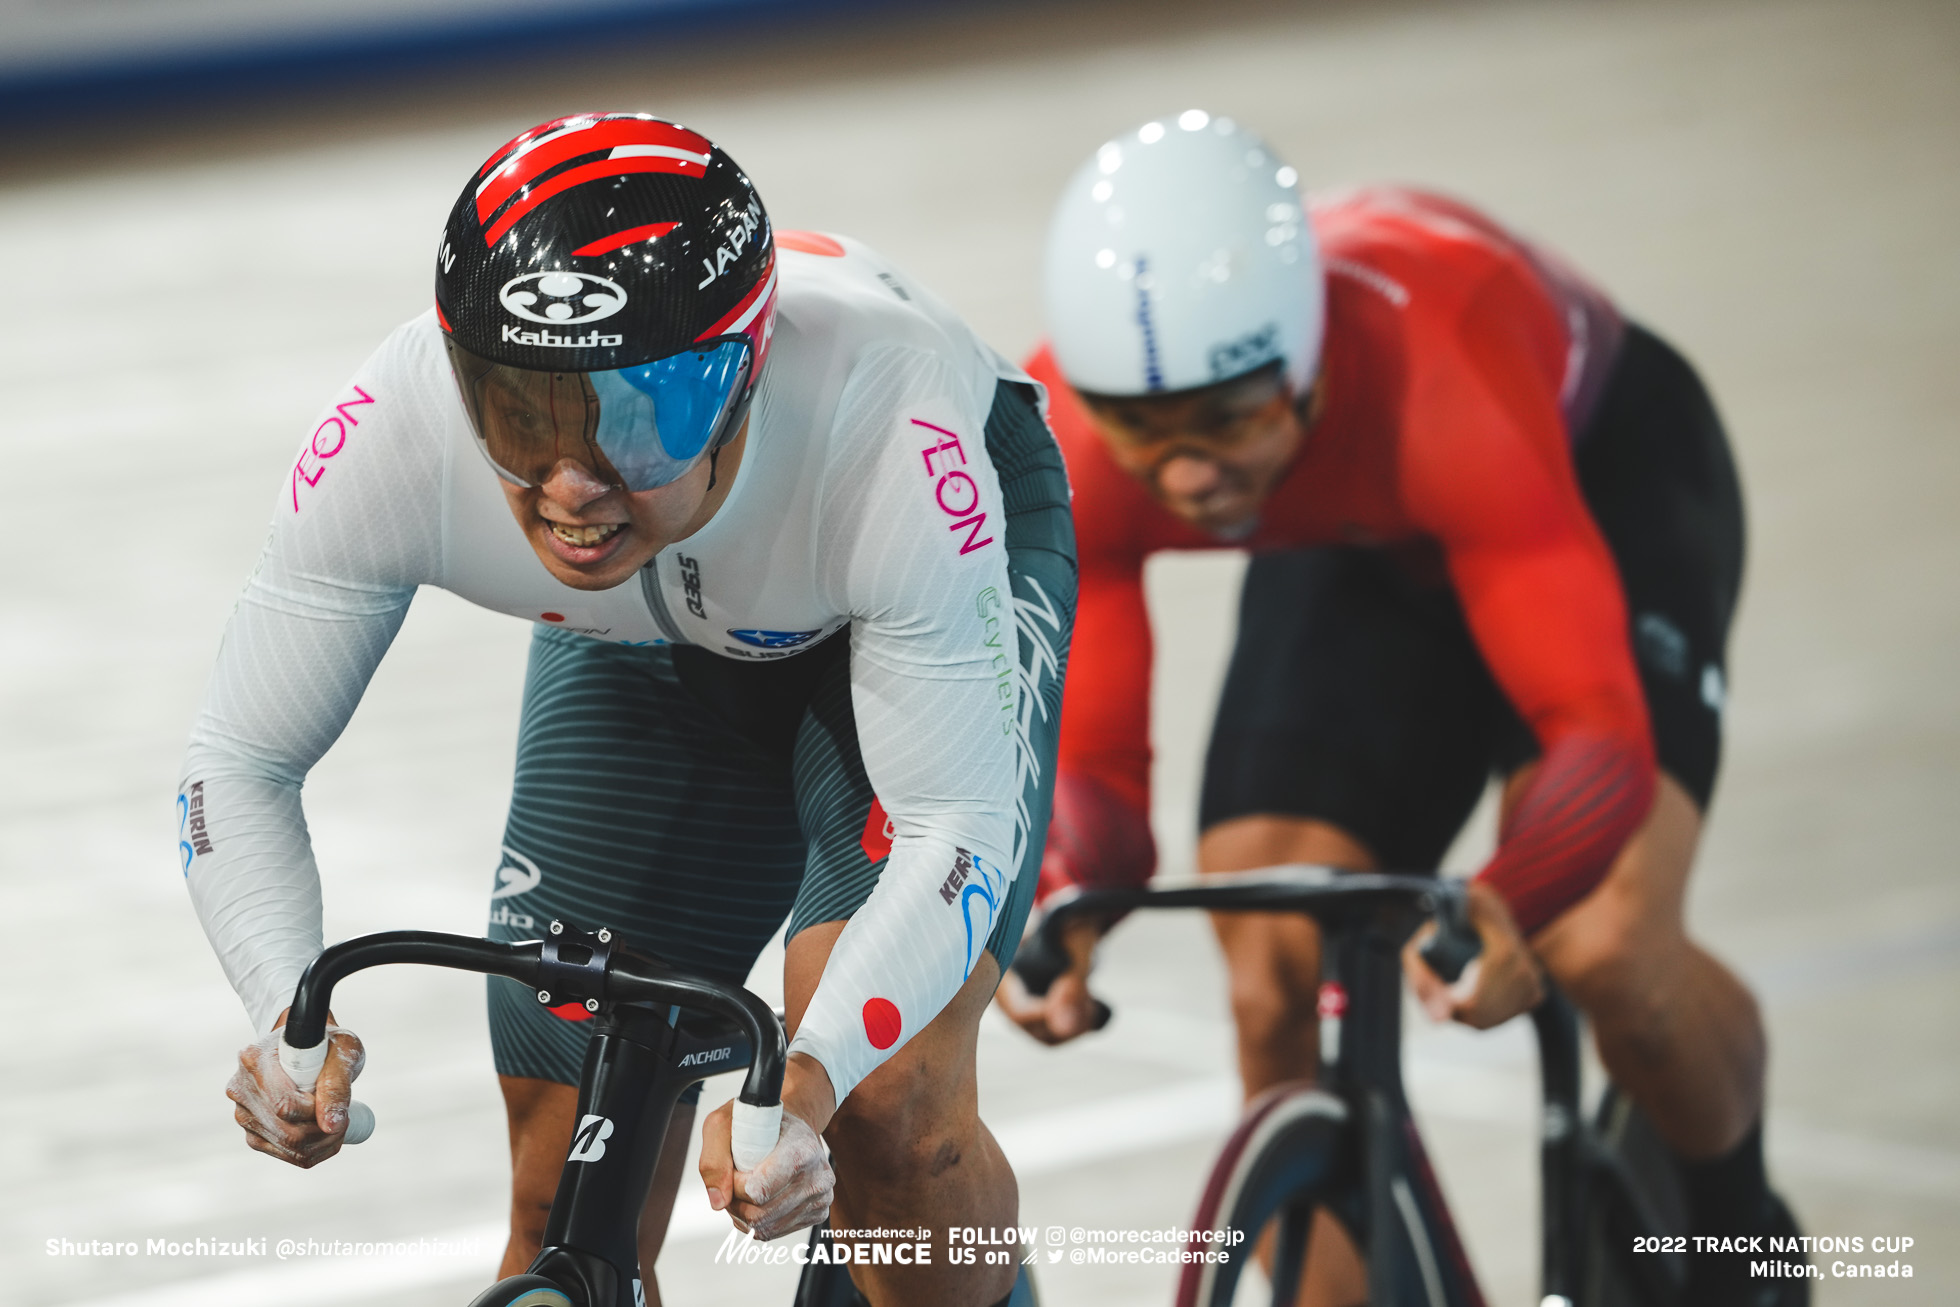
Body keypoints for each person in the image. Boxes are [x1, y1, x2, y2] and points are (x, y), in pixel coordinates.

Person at [181, 111, 1071, 1307]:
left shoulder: (887, 431)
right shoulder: (400, 426)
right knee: (565, 1183)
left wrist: (806, 1082)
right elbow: (233, 762)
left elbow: (957, 831)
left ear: (742, 367)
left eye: (633, 418)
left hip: (897, 612)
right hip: (647, 647)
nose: (570, 487)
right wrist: (283, 1010)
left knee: (890, 1110)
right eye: (519, 414)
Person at [997, 111, 1799, 1306]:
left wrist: (1513, 899)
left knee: (1603, 942)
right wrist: (1062, 898)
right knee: (1273, 958)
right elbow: (1100, 773)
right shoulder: (1085, 429)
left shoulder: (1441, 370)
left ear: (1306, 360)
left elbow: (1596, 736)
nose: (1188, 477)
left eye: (1223, 421)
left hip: (1587, 477)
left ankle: (1745, 1253)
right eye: (1146, 435)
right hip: (1362, 526)